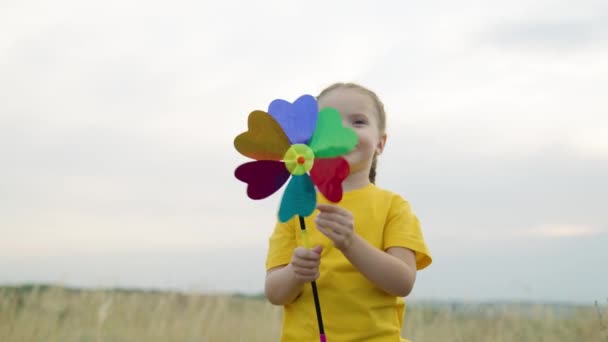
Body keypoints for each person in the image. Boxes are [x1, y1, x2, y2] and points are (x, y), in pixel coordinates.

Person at [264, 82, 432, 342]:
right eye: (327, 124)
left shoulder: (394, 206)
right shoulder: (298, 203)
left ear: (380, 142)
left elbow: (403, 281)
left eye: (358, 122)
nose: (341, 130)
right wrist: (295, 273)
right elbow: (275, 293)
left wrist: (351, 243)